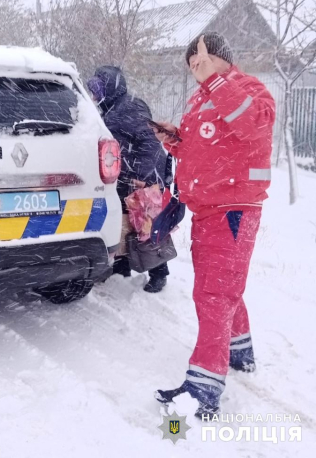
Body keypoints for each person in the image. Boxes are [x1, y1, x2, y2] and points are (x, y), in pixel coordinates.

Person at [152, 32, 275, 419]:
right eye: (191, 67)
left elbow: (252, 126)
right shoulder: (203, 98)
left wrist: (215, 80)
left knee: (214, 294)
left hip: (233, 208)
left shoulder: (249, 90)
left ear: (220, 58)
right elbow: (200, 147)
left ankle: (203, 387)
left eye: (200, 62)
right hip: (207, 210)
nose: (196, 71)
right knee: (222, 289)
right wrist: (173, 140)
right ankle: (239, 352)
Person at [87, 66, 170, 292]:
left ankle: (159, 273)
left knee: (146, 226)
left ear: (111, 87)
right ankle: (121, 267)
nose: (96, 95)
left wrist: (140, 176)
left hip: (143, 178)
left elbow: (150, 142)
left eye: (99, 89)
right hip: (124, 177)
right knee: (124, 225)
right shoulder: (110, 108)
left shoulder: (130, 107)